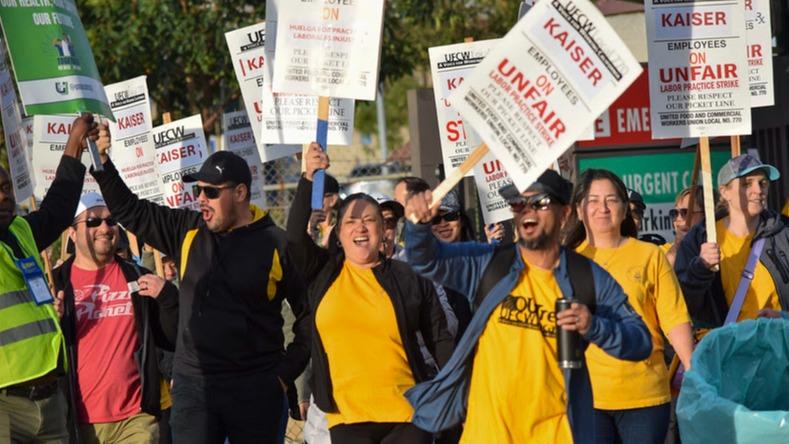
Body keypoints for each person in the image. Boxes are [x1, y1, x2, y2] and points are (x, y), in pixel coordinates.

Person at [403, 170, 652, 443]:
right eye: (519, 204)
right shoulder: (490, 263)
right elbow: (427, 260)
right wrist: (418, 226)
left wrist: (594, 326)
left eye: (540, 203)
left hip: (556, 434)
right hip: (489, 434)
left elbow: (640, 341)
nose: (527, 211)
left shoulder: (587, 277)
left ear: (565, 213)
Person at [90, 137, 309, 443]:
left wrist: (284, 374)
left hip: (256, 389)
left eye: (211, 192)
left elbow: (309, 315)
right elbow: (131, 211)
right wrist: (101, 161)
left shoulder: (277, 244)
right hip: (195, 387)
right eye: (198, 190)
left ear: (241, 193)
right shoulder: (188, 230)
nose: (201, 199)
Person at [287, 143, 453, 443]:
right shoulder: (323, 274)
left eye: (369, 220)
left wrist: (455, 395)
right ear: (338, 234)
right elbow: (293, 238)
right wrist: (309, 178)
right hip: (346, 420)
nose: (360, 228)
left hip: (407, 417)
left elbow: (440, 338)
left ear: (383, 232)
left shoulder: (408, 277)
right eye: (351, 221)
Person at [564, 169, 694, 444]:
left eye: (611, 200)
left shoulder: (649, 256)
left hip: (644, 395)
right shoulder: (566, 262)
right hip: (587, 398)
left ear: (624, 209)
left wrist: (694, 371)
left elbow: (674, 319)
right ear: (578, 210)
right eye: (593, 200)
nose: (602, 208)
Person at [0, 114, 98, 444]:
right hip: (5, 404)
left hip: (49, 396)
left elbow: (58, 206)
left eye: (5, 188)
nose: (3, 196)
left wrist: (75, 144)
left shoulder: (21, 230)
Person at [51, 192, 179, 444]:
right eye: (92, 222)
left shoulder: (137, 276)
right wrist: (52, 322)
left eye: (111, 221)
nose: (104, 228)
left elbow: (169, 338)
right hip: (76, 420)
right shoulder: (55, 284)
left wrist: (167, 297)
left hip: (136, 418)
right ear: (72, 233)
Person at [675, 154, 789, 327]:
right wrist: (700, 268)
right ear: (724, 192)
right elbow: (684, 306)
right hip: (730, 348)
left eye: (763, 183)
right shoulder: (700, 238)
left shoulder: (783, 232)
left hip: (778, 344)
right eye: (747, 184)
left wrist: (782, 316)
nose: (758, 190)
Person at [664, 186, 706, 266]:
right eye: (675, 213)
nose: (678, 218)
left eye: (685, 212)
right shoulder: (663, 251)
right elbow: (663, 273)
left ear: (705, 215)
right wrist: (676, 246)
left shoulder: (718, 247)